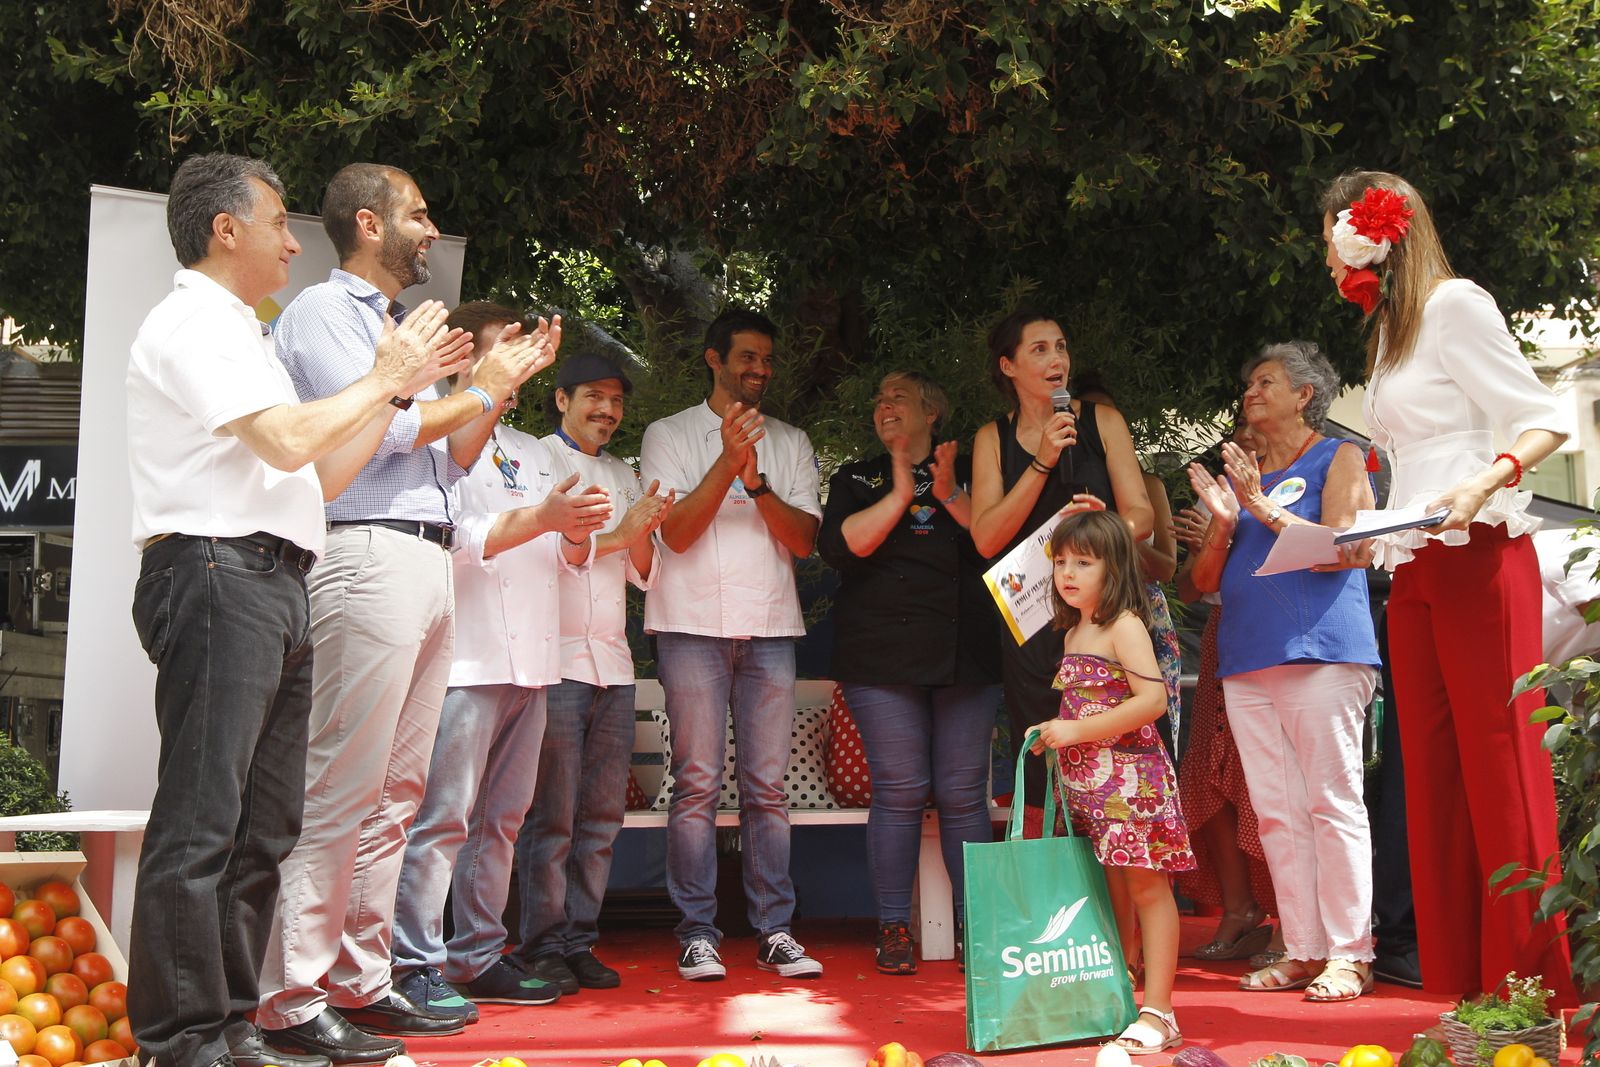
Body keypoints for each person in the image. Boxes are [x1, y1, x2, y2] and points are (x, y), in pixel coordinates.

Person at [124, 152, 458, 1067]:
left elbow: (316, 473)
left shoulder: (246, 330)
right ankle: (178, 1036)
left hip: (277, 575)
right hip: (215, 570)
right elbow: (281, 439)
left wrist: (392, 386)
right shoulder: (192, 319)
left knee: (262, 823)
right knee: (202, 820)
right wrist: (384, 377)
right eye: (276, 220)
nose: (290, 237)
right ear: (224, 229)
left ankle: (231, 1019)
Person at [258, 163, 552, 1064]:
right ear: (368, 223)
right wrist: (476, 383)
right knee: (341, 786)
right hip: (364, 547)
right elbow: (384, 434)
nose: (432, 229)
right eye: (419, 215)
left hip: (424, 556)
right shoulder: (321, 314)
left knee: (396, 792)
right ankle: (290, 994)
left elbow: (453, 458)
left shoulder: (398, 329)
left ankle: (359, 977)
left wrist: (497, 385)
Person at [1317, 170, 1575, 1001]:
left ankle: (1532, 986)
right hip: (1413, 556)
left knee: (1502, 766)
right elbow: (1416, 452)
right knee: (1428, 774)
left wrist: (1485, 480)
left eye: (1332, 237)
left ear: (1372, 235)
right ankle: (1462, 983)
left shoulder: (1457, 303)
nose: (1327, 258)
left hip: (1477, 546)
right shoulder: (1390, 333)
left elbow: (1544, 417)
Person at [390, 302, 614, 1016]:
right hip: (466, 659)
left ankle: (479, 952)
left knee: (506, 819)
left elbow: (568, 554)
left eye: (525, 361)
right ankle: (411, 960)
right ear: (465, 359)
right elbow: (454, 535)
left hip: (535, 660)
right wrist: (544, 521)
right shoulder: (435, 438)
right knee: (445, 815)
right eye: (505, 357)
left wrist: (576, 532)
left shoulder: (536, 449)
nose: (518, 374)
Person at [1185, 341, 1381, 1002]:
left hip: (1321, 650)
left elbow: (1350, 546)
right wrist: (1222, 523)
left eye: (1264, 381)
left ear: (1305, 393)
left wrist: (1262, 508)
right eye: (1247, 384)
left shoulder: (1339, 456)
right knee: (1275, 812)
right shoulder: (1244, 476)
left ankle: (1351, 952)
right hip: (1247, 659)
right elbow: (1201, 583)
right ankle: (1302, 948)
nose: (1249, 393)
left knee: (1331, 801)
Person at [639, 308, 824, 981]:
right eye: (747, 357)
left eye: (767, 360)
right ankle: (697, 932)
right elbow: (677, 534)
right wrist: (728, 458)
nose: (760, 370)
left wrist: (757, 478)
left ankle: (775, 928)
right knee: (695, 784)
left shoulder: (793, 440)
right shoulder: (668, 434)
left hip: (772, 625)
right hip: (690, 625)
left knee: (767, 789)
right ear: (714, 359)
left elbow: (803, 540)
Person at [816, 370, 1002, 974]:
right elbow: (844, 546)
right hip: (880, 656)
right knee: (897, 792)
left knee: (961, 794)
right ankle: (894, 926)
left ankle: (979, 926)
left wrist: (947, 491)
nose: (884, 405)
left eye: (897, 397)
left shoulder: (977, 468)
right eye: (879, 397)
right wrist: (898, 491)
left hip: (968, 652)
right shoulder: (855, 477)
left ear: (932, 410)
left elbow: (1000, 541)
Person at [511, 351, 674, 993]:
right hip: (553, 663)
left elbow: (643, 573)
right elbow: (544, 554)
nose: (607, 411)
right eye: (593, 399)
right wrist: (626, 529)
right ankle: (540, 944)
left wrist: (643, 529)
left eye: (616, 402)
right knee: (551, 815)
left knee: (600, 817)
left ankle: (579, 940)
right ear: (561, 400)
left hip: (613, 662)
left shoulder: (622, 472)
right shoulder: (536, 462)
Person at [969, 310, 1154, 830]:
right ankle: (1059, 886)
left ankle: (1119, 877)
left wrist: (1103, 524)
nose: (1057, 360)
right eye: (1040, 350)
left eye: (1062, 347)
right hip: (1032, 618)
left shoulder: (1100, 421)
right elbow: (986, 536)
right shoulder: (992, 439)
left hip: (1104, 614)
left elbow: (1141, 516)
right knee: (1045, 752)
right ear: (1008, 366)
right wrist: (1043, 460)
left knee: (1110, 748)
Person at [1030, 509, 1194, 1055]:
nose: (1068, 574)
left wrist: (1073, 729)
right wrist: (1057, 737)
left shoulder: (1123, 623)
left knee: (1148, 887)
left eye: (1083, 562)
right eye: (1060, 563)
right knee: (1113, 888)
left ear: (1114, 566)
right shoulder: (1076, 626)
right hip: (1091, 788)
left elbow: (1152, 701)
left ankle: (1161, 1009)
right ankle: (1122, 988)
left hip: (1132, 784)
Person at [1170, 426, 1281, 967]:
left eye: (1257, 433)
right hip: (1222, 632)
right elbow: (1189, 588)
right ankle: (1239, 910)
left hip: (1280, 634)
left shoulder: (1308, 478)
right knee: (1206, 774)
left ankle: (1295, 921)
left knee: (1275, 780)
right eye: (1238, 434)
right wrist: (1205, 543)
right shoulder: (1215, 489)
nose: (1244, 442)